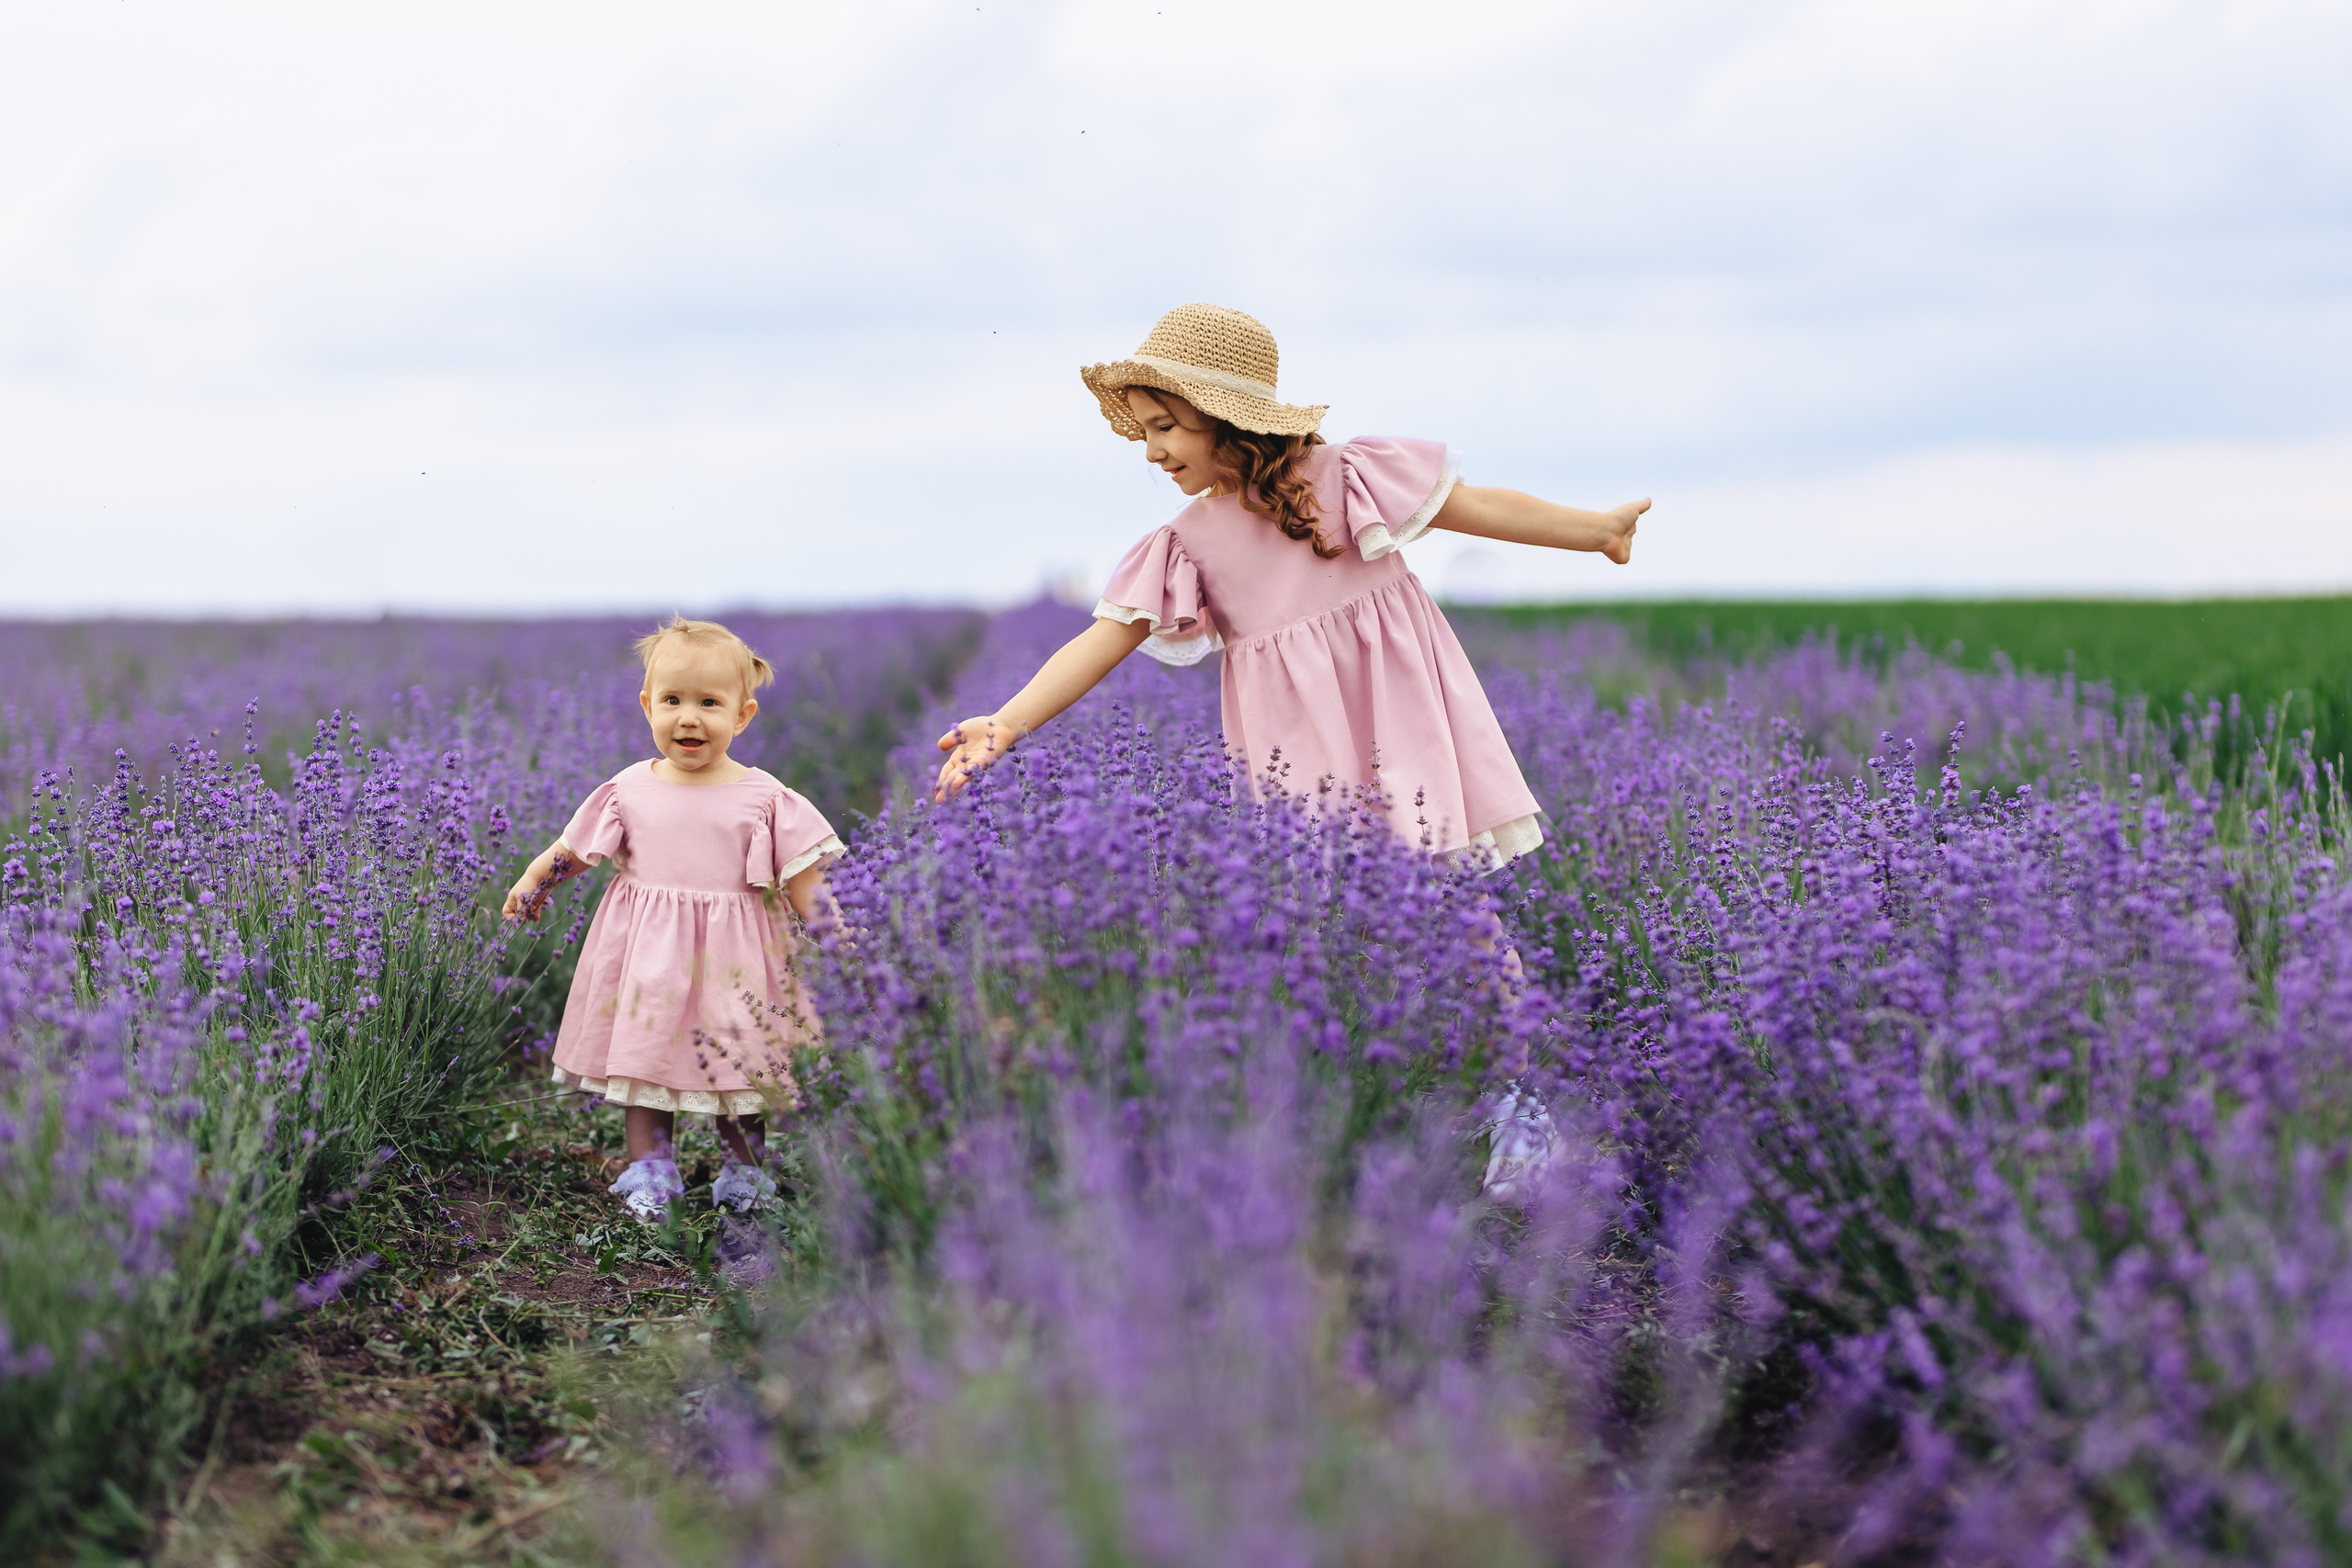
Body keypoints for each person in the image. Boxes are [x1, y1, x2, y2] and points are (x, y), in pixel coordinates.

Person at [934, 301, 1648, 867]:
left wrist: (1597, 530)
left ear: (1222, 417)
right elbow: (1100, 641)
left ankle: (1503, 1017)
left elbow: (1478, 507)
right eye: (1144, 431)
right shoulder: (1188, 544)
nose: (1150, 450)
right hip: (1296, 751)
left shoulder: (1349, 477)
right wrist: (1007, 722)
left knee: (1445, 896)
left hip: (1400, 717)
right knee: (1342, 921)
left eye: (1165, 427)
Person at [504, 616, 842, 1223]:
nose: (689, 718)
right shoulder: (629, 789)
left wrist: (837, 934)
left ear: (742, 715)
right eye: (673, 701)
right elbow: (574, 850)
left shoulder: (765, 798)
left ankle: (743, 1173)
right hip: (650, 957)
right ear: (647, 706)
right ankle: (652, 1172)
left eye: (709, 703)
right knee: (647, 1056)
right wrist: (536, 880)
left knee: (741, 1065)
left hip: (737, 962)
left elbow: (804, 880)